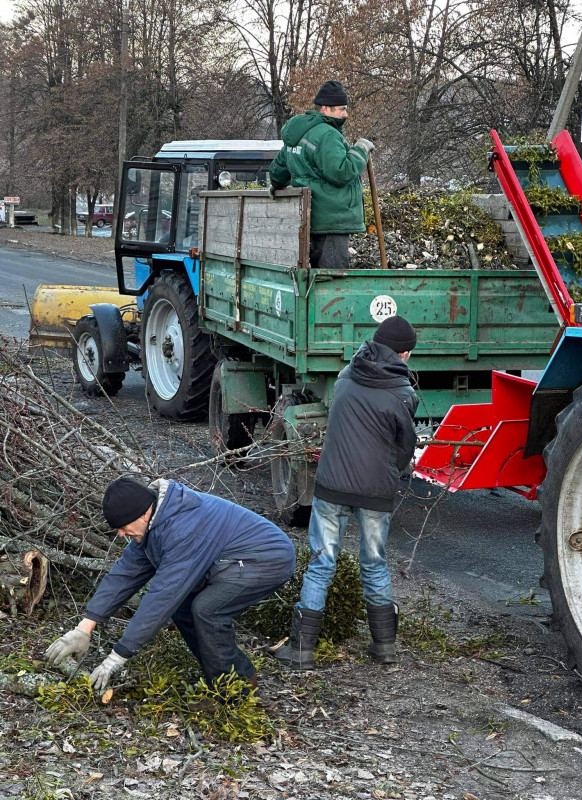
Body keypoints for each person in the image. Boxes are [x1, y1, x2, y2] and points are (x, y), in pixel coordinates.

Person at [45, 477, 296, 693]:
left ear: (143, 513)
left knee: (207, 610)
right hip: (228, 560)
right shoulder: (154, 523)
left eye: (123, 527)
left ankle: (236, 688)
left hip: (266, 559)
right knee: (184, 606)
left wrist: (117, 656)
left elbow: (162, 596)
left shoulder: (182, 529)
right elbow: (123, 574)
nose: (120, 534)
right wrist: (84, 628)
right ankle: (220, 678)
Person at [274, 315, 418, 669]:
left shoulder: (346, 377)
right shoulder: (403, 394)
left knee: (321, 564)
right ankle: (384, 648)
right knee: (374, 564)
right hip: (374, 493)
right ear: (403, 355)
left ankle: (302, 650)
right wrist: (393, 473)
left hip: (332, 486)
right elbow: (405, 449)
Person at [268, 79, 374, 268]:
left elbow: (278, 170)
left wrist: (276, 186)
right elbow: (342, 172)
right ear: (326, 108)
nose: (345, 114)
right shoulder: (327, 135)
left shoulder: (298, 133)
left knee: (314, 277)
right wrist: (361, 150)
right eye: (342, 109)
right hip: (333, 220)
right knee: (331, 281)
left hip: (308, 219)